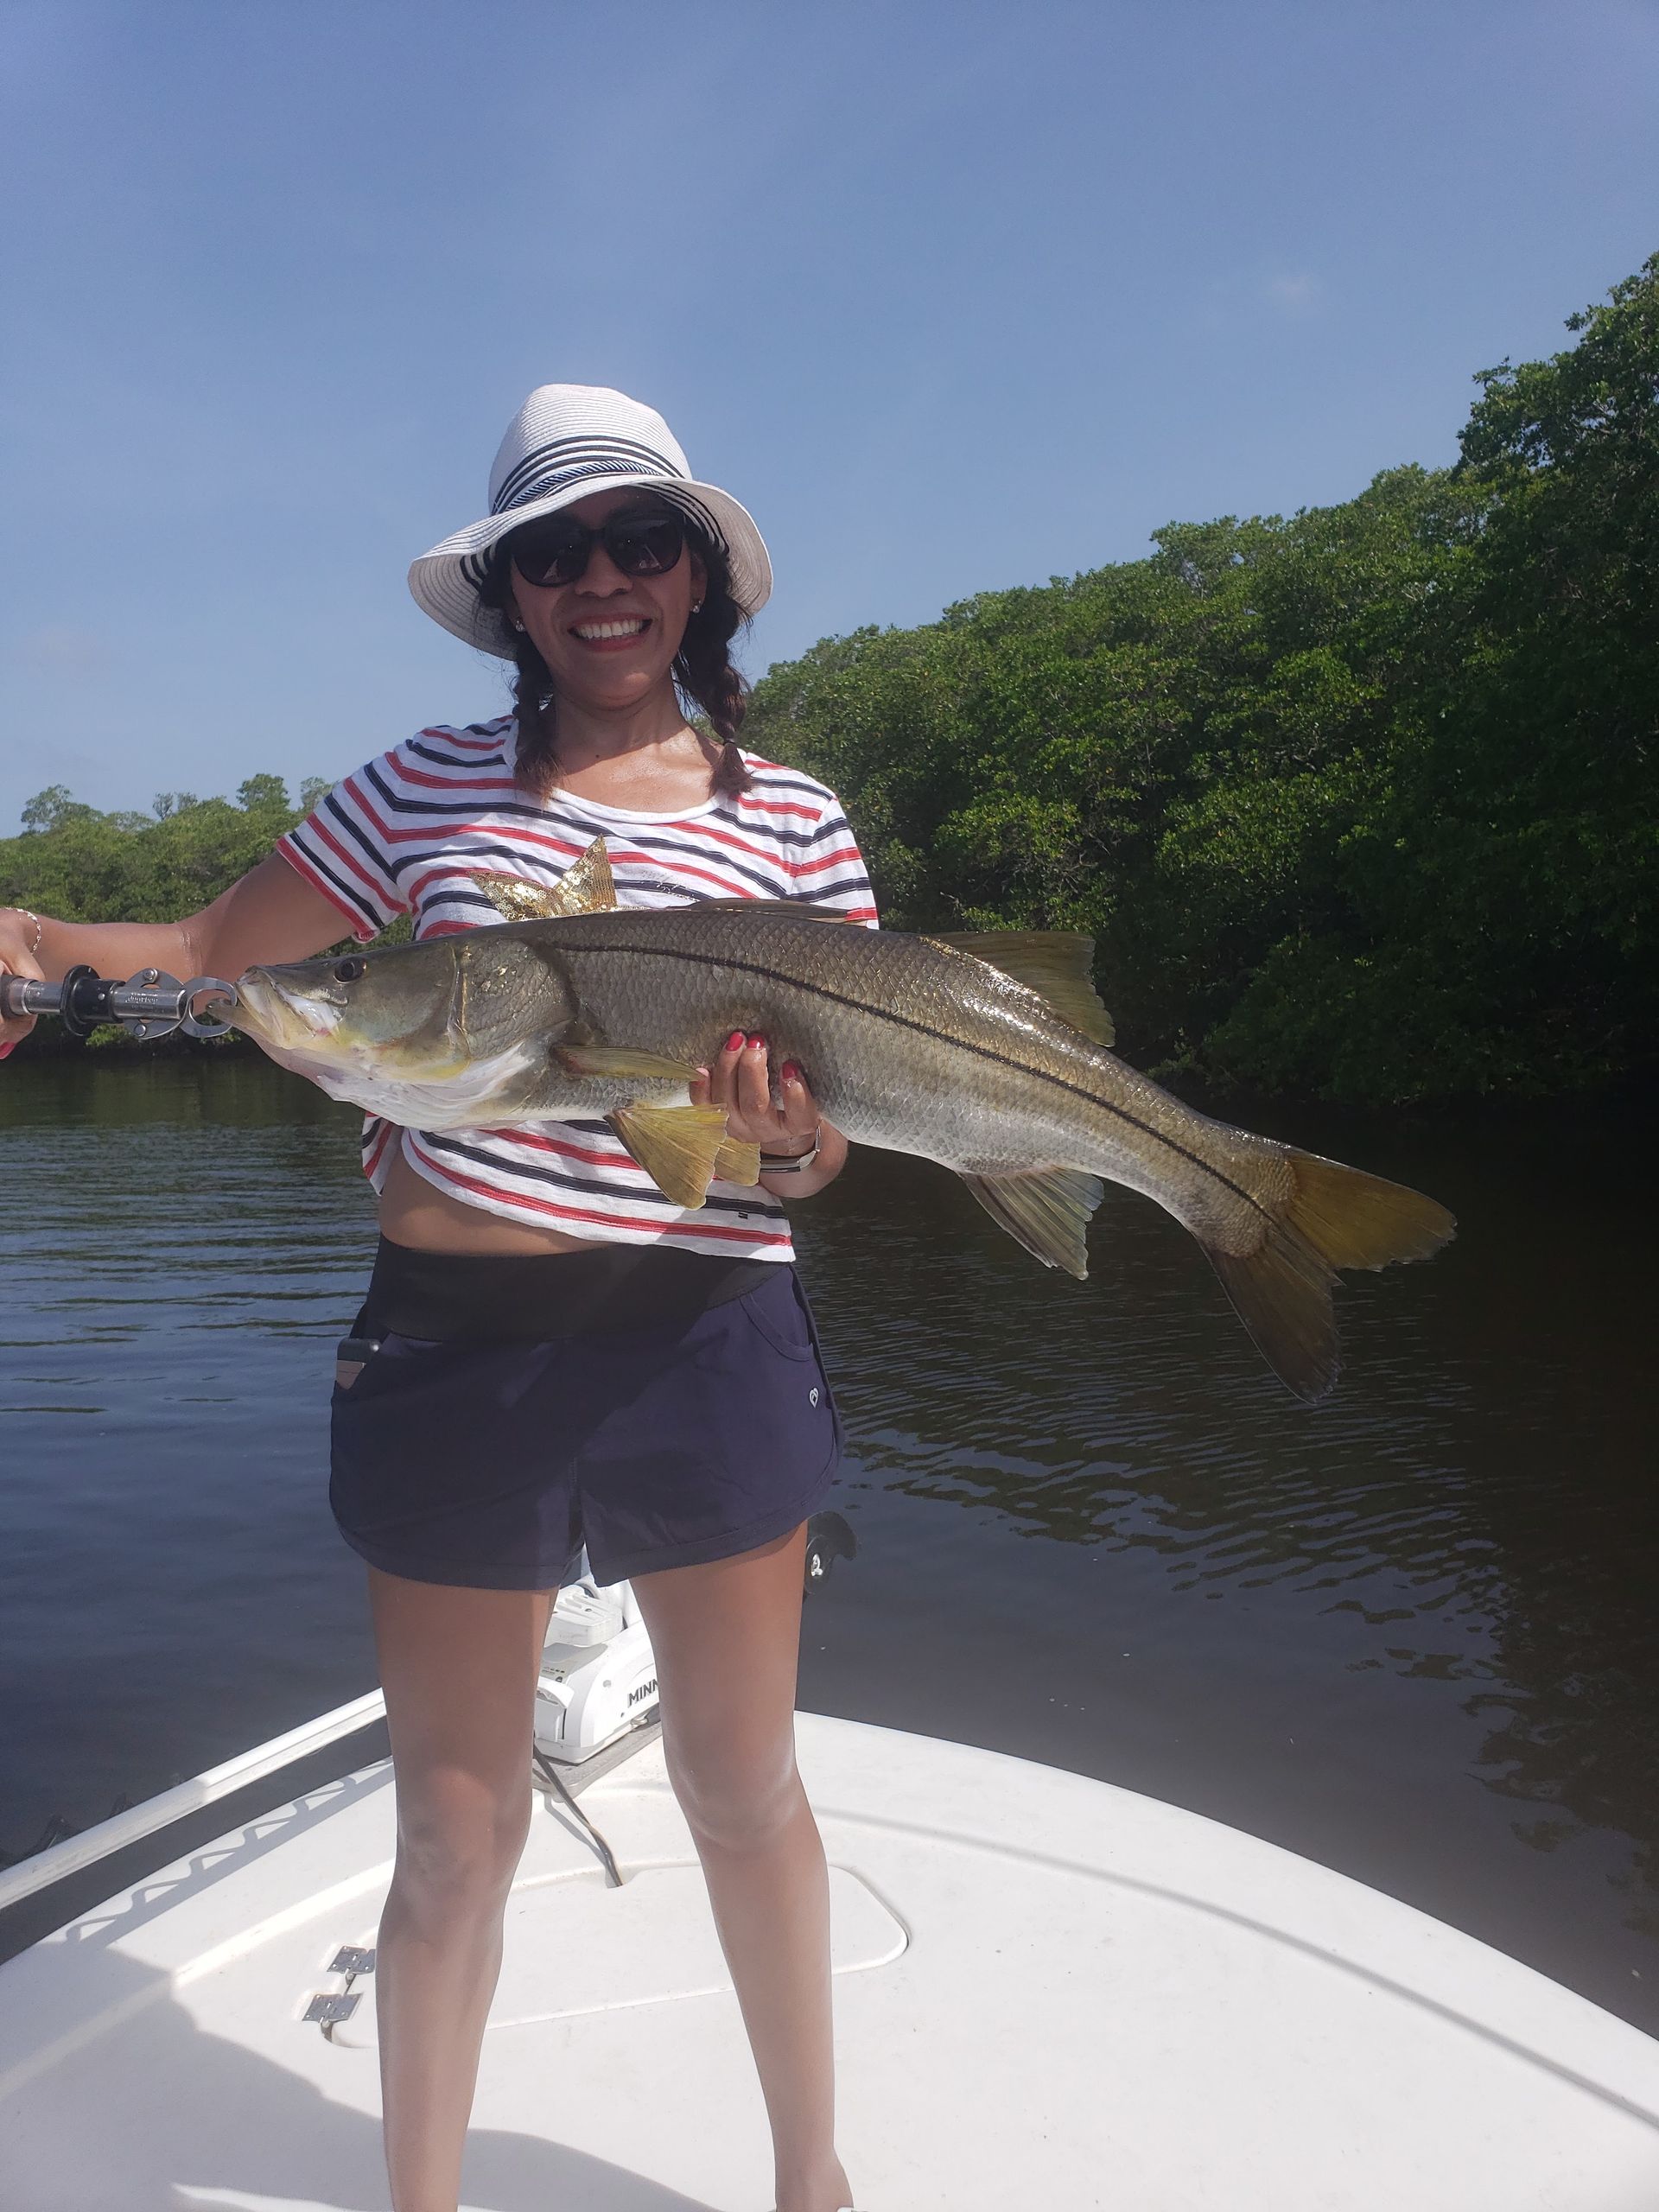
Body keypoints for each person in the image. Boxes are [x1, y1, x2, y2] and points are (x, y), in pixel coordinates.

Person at [0, 385, 875, 2212]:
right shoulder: (413, 787)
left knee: (742, 1786)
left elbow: (833, 1153)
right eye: (555, 552)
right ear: (512, 596)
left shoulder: (793, 817)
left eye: (644, 542)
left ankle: (812, 2180)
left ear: (703, 579)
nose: (604, 581)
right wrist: (28, 947)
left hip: (704, 1335)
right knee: (453, 1831)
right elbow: (203, 958)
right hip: (451, 1345)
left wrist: (791, 1141)